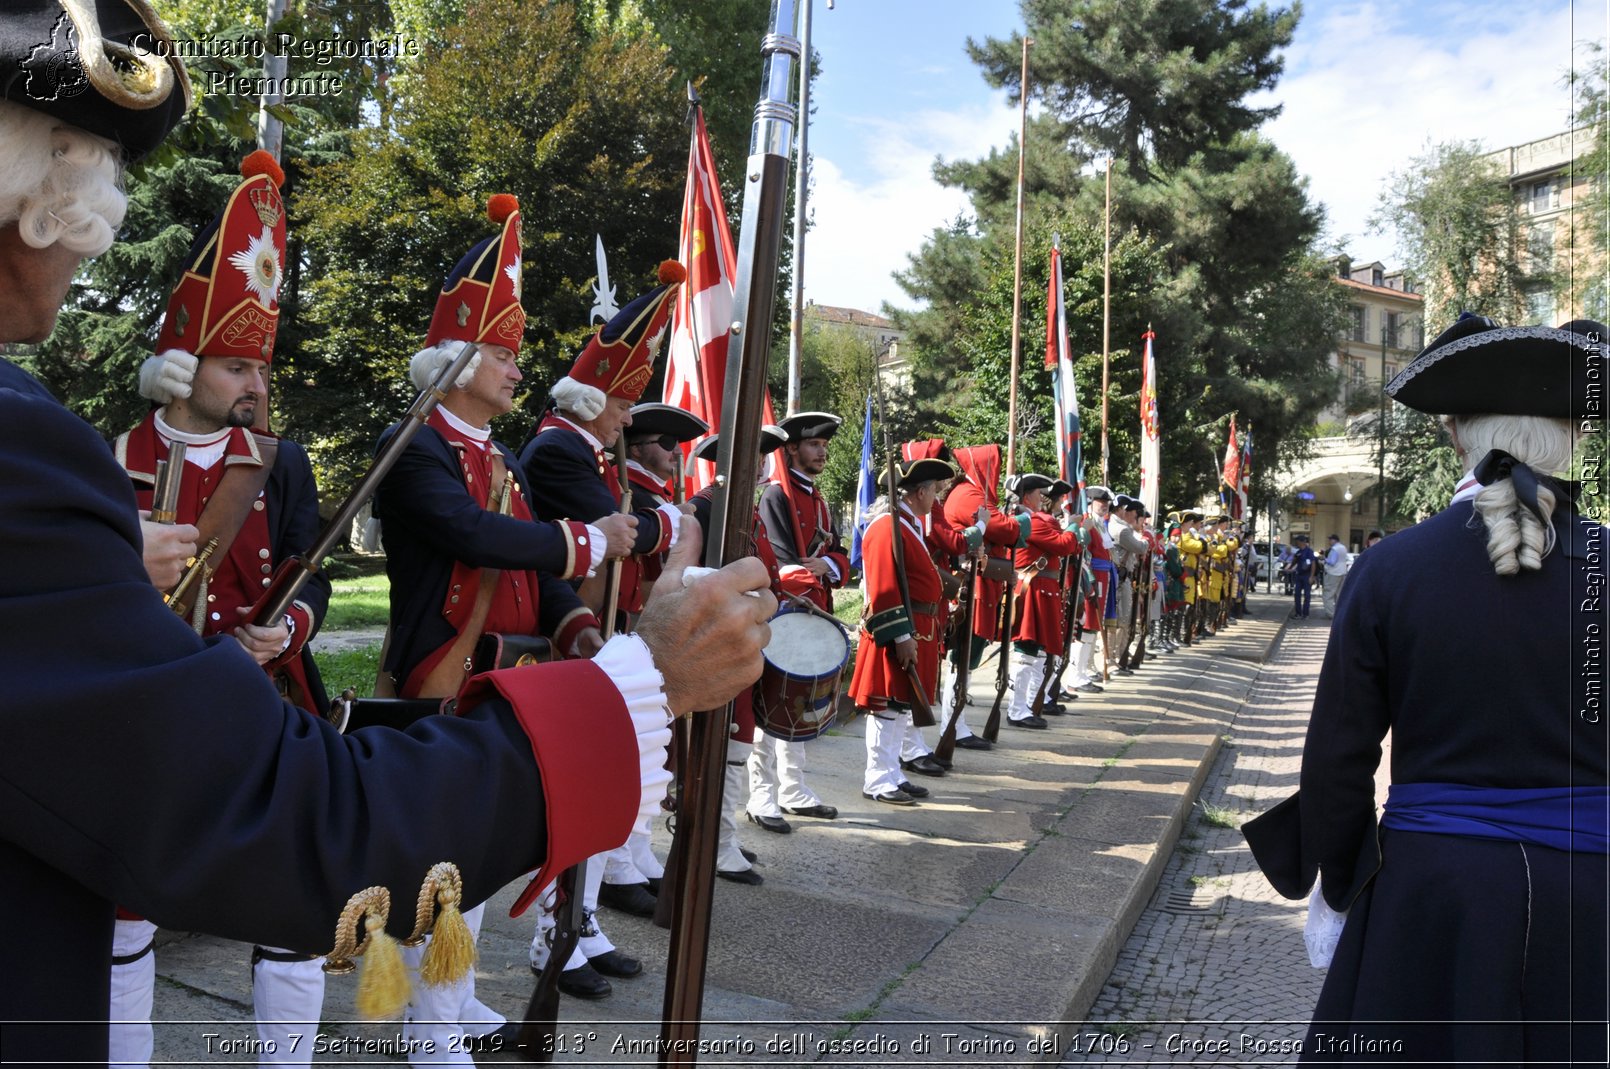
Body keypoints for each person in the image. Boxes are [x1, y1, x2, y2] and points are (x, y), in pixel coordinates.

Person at [0, 16, 773, 1064]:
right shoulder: (46, 447)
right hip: (303, 689)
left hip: (278, 686)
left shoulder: (314, 459)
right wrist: (638, 671)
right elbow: (288, 814)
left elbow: (303, 560)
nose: (252, 385)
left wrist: (578, 611)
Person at [1244, 313, 1607, 1061]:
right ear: (1575, 436)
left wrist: (1342, 886)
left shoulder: (1392, 569)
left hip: (1431, 895)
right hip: (1594, 897)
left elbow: (1337, 759)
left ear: (1459, 435)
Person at [111, 150, 333, 1069]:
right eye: (234, 362)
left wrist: (294, 626)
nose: (252, 381)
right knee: (125, 921)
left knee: (293, 908)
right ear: (183, 362)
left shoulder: (278, 462)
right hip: (148, 718)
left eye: (260, 363)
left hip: (261, 708)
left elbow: (310, 572)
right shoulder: (108, 454)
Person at [516, 263, 689, 990]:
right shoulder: (558, 450)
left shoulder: (585, 446)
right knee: (578, 789)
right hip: (570, 638)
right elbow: (619, 530)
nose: (630, 416)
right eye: (622, 401)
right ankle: (551, 938)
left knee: (612, 783)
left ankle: (580, 924)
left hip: (598, 636)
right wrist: (671, 521)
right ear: (590, 397)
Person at [685, 426, 791, 883]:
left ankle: (720, 839)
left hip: (745, 640)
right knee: (722, 747)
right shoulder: (706, 509)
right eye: (753, 455)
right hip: (718, 646)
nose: (762, 465)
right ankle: (713, 846)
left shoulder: (747, 512)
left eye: (764, 457)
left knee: (737, 745)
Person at [749, 412, 851, 830]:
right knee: (773, 706)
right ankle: (762, 797)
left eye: (824, 446)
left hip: (813, 609)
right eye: (814, 445)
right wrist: (818, 568)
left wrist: (827, 564)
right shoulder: (777, 497)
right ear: (791, 449)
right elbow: (783, 568)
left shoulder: (819, 499)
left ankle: (793, 789)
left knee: (801, 707)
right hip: (786, 612)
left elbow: (841, 555)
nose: (822, 451)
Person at [849, 457, 956, 803]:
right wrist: (902, 636)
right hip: (897, 631)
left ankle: (892, 772)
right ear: (919, 492)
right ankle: (877, 780)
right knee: (886, 709)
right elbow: (883, 589)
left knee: (900, 707)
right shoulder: (886, 526)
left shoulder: (906, 524)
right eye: (935, 492)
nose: (937, 500)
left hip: (916, 628)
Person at [940, 444, 1028, 748]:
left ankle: (957, 724)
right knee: (961, 659)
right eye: (993, 466)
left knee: (967, 659)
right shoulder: (969, 495)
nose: (996, 473)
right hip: (971, 589)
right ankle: (952, 726)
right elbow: (1004, 529)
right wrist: (1021, 523)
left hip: (982, 585)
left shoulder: (973, 494)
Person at [1005, 474, 1083, 728]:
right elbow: (1064, 546)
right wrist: (1073, 527)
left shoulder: (1036, 519)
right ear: (1027, 496)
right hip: (1034, 588)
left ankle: (1027, 704)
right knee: (1026, 651)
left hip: (1043, 588)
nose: (1043, 499)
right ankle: (1017, 709)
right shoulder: (1033, 520)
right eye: (1040, 494)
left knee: (1037, 652)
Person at [1320, 533, 1351, 619]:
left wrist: (1324, 559)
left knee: (1328, 594)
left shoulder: (1334, 549)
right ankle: (1340, 613)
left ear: (1334, 540)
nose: (1329, 541)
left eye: (1330, 540)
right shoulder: (1343, 548)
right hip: (1342, 572)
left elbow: (1332, 562)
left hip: (1333, 573)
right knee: (1339, 594)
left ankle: (1331, 614)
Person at [1286, 534, 1316, 619]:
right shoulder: (1299, 552)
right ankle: (1298, 613)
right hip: (1299, 575)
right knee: (1297, 594)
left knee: (1307, 595)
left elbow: (1313, 564)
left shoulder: (1309, 552)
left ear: (1302, 542)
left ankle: (1305, 614)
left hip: (1307, 576)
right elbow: (1295, 561)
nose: (1297, 542)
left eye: (1298, 541)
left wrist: (1311, 576)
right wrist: (1290, 568)